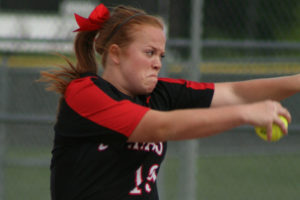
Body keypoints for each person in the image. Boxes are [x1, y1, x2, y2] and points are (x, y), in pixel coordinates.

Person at [40, 3, 299, 200]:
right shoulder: (86, 93)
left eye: (161, 55)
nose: (158, 62)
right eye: (149, 52)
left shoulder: (159, 94)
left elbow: (235, 93)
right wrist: (243, 114)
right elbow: (161, 127)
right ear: (116, 54)